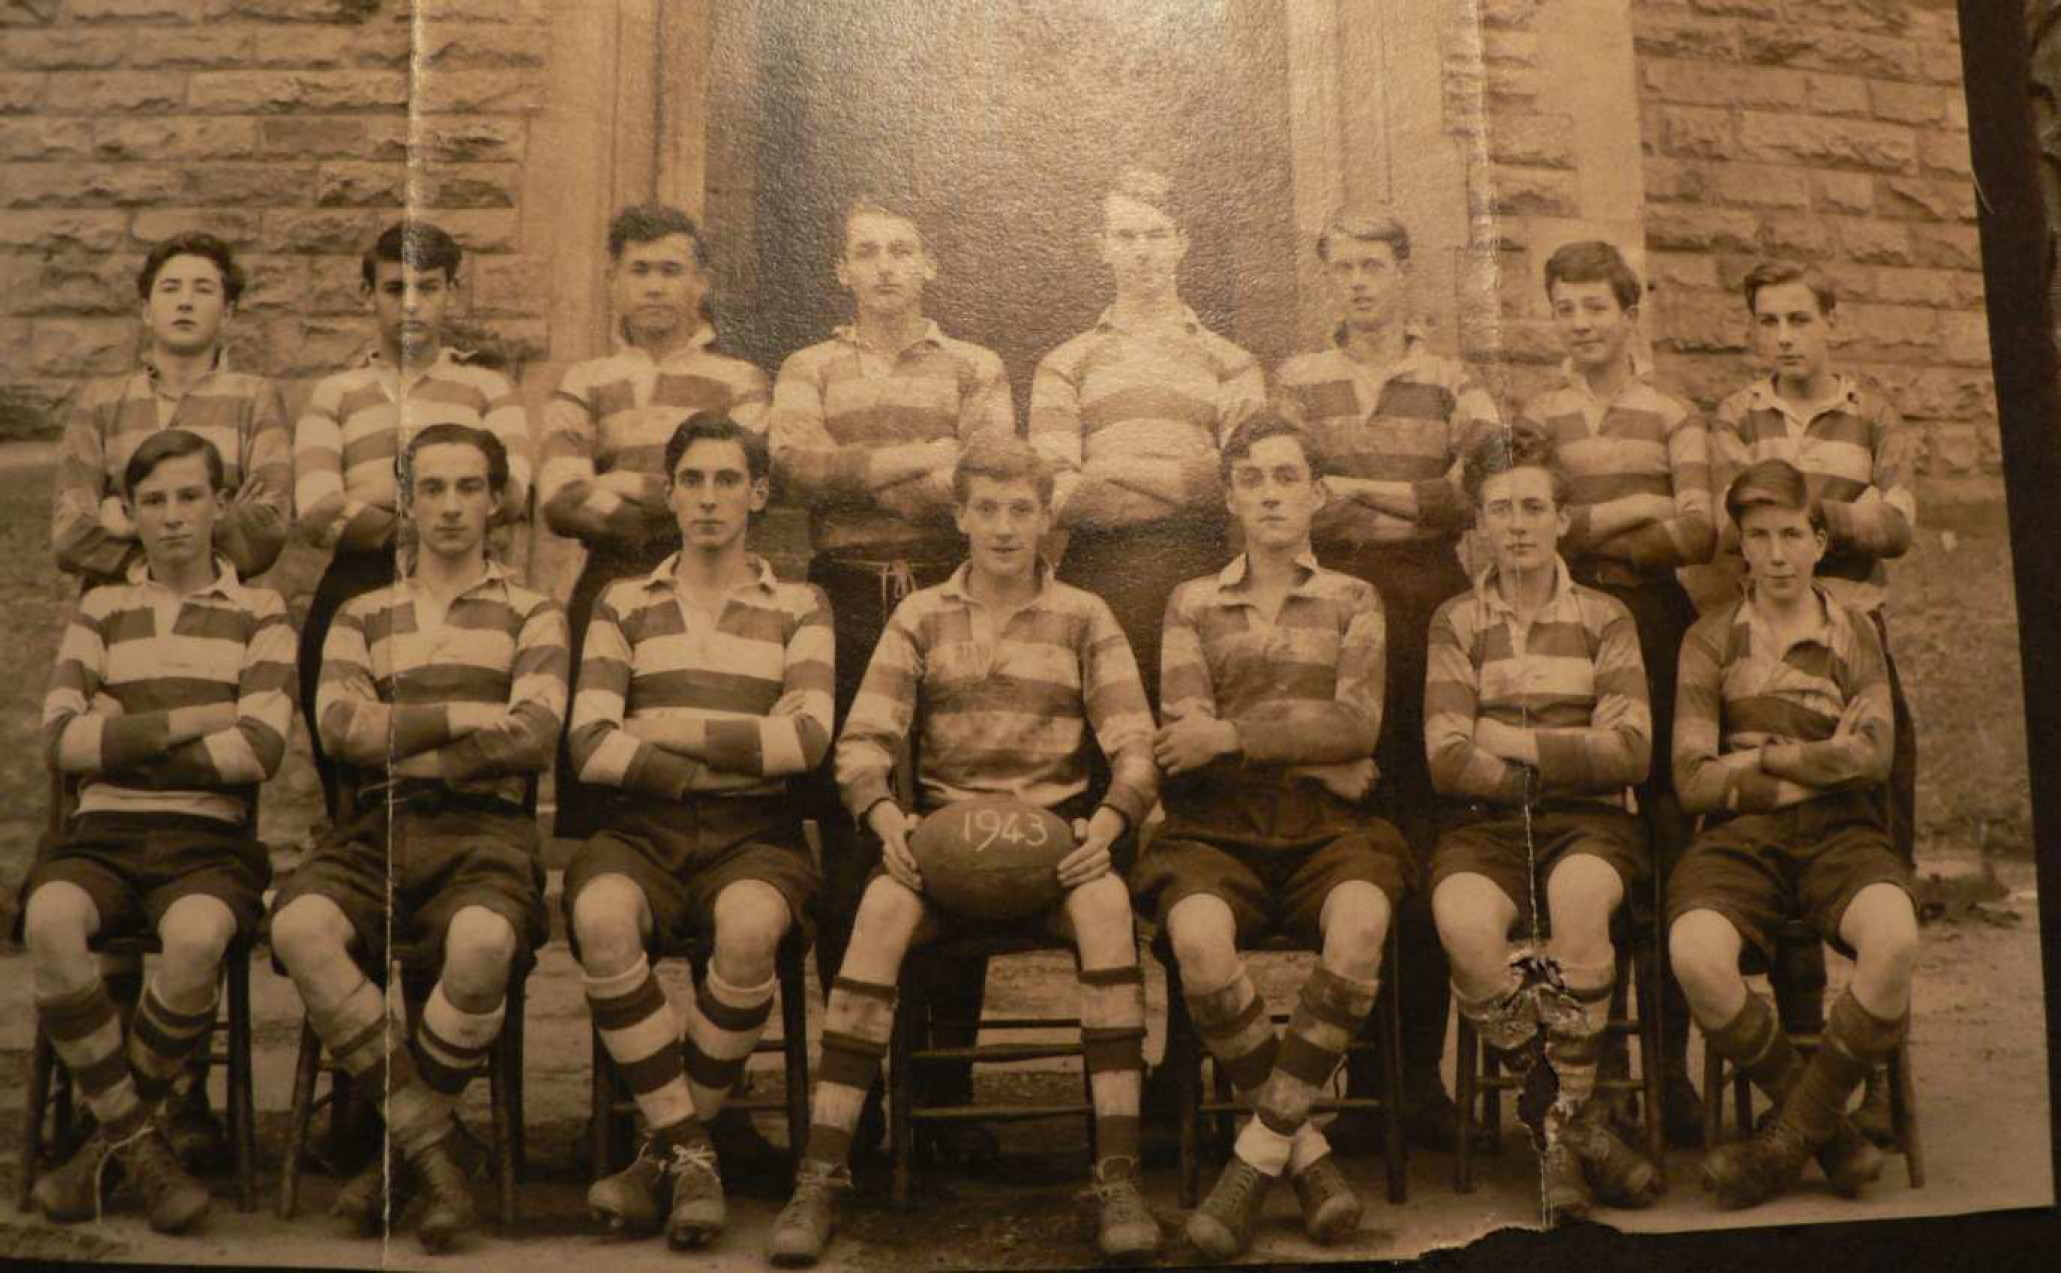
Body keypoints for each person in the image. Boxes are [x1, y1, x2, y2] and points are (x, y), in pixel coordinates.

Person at [767, 435, 1160, 1266]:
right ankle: (823, 1170)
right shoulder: (919, 615)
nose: (1005, 528)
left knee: (1105, 905)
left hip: (1053, 849)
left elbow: (1134, 743)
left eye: (1022, 510)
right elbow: (863, 740)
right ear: (958, 517)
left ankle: (1115, 1172)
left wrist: (1106, 826)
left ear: (1048, 518)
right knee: (876, 906)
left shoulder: (1085, 613)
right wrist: (888, 824)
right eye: (986, 508)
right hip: (942, 844)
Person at [268, 424, 566, 1252]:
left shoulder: (532, 610)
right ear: (403, 501)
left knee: (480, 944)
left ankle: (396, 1156)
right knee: (298, 926)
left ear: (496, 501)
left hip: (486, 831)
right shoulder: (363, 612)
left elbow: (535, 733)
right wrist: (466, 716)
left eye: (468, 487)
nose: (448, 506)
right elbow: (336, 729)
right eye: (430, 488)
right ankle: (435, 1148)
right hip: (378, 825)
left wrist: (401, 733)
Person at [768, 199, 1015, 1163]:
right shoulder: (808, 366)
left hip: (953, 595)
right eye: (865, 251)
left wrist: (856, 470)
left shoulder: (975, 364)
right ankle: (861, 1097)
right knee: (851, 834)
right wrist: (918, 458)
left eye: (901, 251)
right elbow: (793, 467)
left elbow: (985, 476)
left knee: (959, 816)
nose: (883, 268)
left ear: (930, 266)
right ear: (841, 271)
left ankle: (946, 1099)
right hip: (844, 600)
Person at [1133, 414, 1410, 1258]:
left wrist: (1243, 737)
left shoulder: (1356, 599)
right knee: (1198, 939)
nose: (1269, 493)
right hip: (1214, 830)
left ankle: (1256, 1156)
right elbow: (1188, 737)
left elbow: (1357, 724)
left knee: (1361, 921)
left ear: (1317, 494)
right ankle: (1311, 1150)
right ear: (1229, 497)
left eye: (1286, 476)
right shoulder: (1189, 601)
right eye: (1250, 479)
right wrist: (1310, 748)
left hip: (1331, 829)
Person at [564, 414, 832, 1251]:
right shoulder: (622, 601)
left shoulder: (800, 603)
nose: (708, 498)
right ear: (671, 493)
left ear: (757, 493)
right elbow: (588, 745)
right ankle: (690, 1151)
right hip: (640, 830)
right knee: (602, 918)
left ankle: (657, 1157)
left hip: (755, 833)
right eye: (691, 480)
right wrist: (730, 746)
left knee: (751, 928)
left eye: (726, 480)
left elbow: (807, 743)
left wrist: (660, 724)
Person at [20, 429, 294, 1233]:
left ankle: (101, 1147)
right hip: (99, 836)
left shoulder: (261, 610)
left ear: (220, 503)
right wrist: (202, 716)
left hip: (207, 845)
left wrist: (125, 733)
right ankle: (140, 1143)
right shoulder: (102, 607)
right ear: (129, 514)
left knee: (198, 936)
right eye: (152, 502)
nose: (172, 517)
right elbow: (58, 741)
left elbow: (261, 749)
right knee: (50, 920)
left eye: (187, 496)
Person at [1271, 209, 1502, 1152]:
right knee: (1349, 820)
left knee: (1423, 824)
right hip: (1327, 604)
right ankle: (1349, 1075)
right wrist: (1379, 493)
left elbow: (1469, 490)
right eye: (1344, 267)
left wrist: (1354, 490)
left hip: (1423, 603)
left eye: (1375, 265)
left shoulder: (1455, 378)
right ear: (1326, 278)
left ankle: (1415, 1083)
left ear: (1406, 274)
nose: (1359, 282)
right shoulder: (1295, 379)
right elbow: (1284, 484)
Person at [1424, 425, 1659, 1224]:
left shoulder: (1606, 618)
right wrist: (1562, 756)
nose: (1516, 524)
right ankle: (1575, 1118)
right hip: (1486, 827)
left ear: (1562, 517)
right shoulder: (1454, 622)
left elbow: (1628, 750)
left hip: (1588, 824)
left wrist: (1516, 741)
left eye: (1532, 506)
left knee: (1582, 899)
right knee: (1461, 920)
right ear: (1479, 525)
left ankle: (1555, 1139)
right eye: (1499, 508)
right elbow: (1446, 759)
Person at [1710, 260, 1922, 1143]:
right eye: (1769, 321)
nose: (1784, 334)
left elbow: (1900, 528)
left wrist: (1799, 503)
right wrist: (1844, 507)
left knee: (1876, 843)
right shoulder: (1734, 415)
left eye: (1800, 317)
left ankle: (1874, 1073)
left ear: (1830, 320)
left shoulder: (1872, 414)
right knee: (1782, 849)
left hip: (1859, 639)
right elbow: (1738, 524)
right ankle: (1799, 1080)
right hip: (1766, 644)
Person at [1668, 458, 1916, 1209]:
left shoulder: (1855, 634)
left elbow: (1872, 756)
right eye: (1757, 537)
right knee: (1695, 953)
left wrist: (1762, 758)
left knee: (1895, 938)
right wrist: (1814, 764)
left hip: (1841, 834)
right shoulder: (1709, 640)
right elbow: (1691, 776)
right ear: (1739, 546)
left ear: (1817, 542)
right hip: (1738, 841)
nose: (1774, 554)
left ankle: (1783, 1139)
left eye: (1789, 535)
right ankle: (1829, 1132)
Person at [1513, 239, 1716, 1144]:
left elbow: (1702, 528)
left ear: (1629, 314)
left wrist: (1598, 527)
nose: (1580, 322)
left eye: (1595, 306)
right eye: (1564, 307)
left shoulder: (1672, 409)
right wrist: (1640, 509)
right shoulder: (1537, 412)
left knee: (1669, 828)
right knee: (1575, 815)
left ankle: (1667, 1072)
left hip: (1655, 620)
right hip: (1562, 625)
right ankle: (1585, 1073)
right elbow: (1517, 525)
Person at [541, 204, 771, 842]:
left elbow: (734, 490)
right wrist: (672, 497)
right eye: (639, 270)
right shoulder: (585, 380)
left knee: (699, 725)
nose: (654, 286)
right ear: (612, 278)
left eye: (672, 270)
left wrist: (614, 483)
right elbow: (558, 497)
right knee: (598, 736)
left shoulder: (739, 380)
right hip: (610, 577)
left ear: (701, 283)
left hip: (708, 577)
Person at [292, 220, 535, 804]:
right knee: (347, 745)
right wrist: (438, 496)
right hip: (359, 578)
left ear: (451, 291)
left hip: (468, 584)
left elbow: (515, 494)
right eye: (396, 288)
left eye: (428, 288)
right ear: (367, 295)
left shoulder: (487, 388)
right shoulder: (336, 392)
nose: (412, 304)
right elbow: (318, 511)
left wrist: (372, 485)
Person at [1029, 167, 1265, 713]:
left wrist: (1110, 474)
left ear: (1182, 244)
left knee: (1198, 736)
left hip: (1205, 570)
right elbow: (1056, 495)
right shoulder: (1065, 365)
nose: (1142, 252)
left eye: (1156, 235)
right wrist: (1192, 477)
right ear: (1102, 248)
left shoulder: (1232, 363)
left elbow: (1241, 484)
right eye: (1126, 237)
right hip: (1099, 575)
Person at [53, 232, 289, 588]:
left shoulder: (255, 398)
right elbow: (71, 536)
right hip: (117, 613)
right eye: (170, 288)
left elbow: (264, 533)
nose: (185, 302)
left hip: (219, 615)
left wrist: (131, 522)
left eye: (203, 290)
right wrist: (215, 522)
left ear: (227, 313)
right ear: (147, 311)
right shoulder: (101, 401)